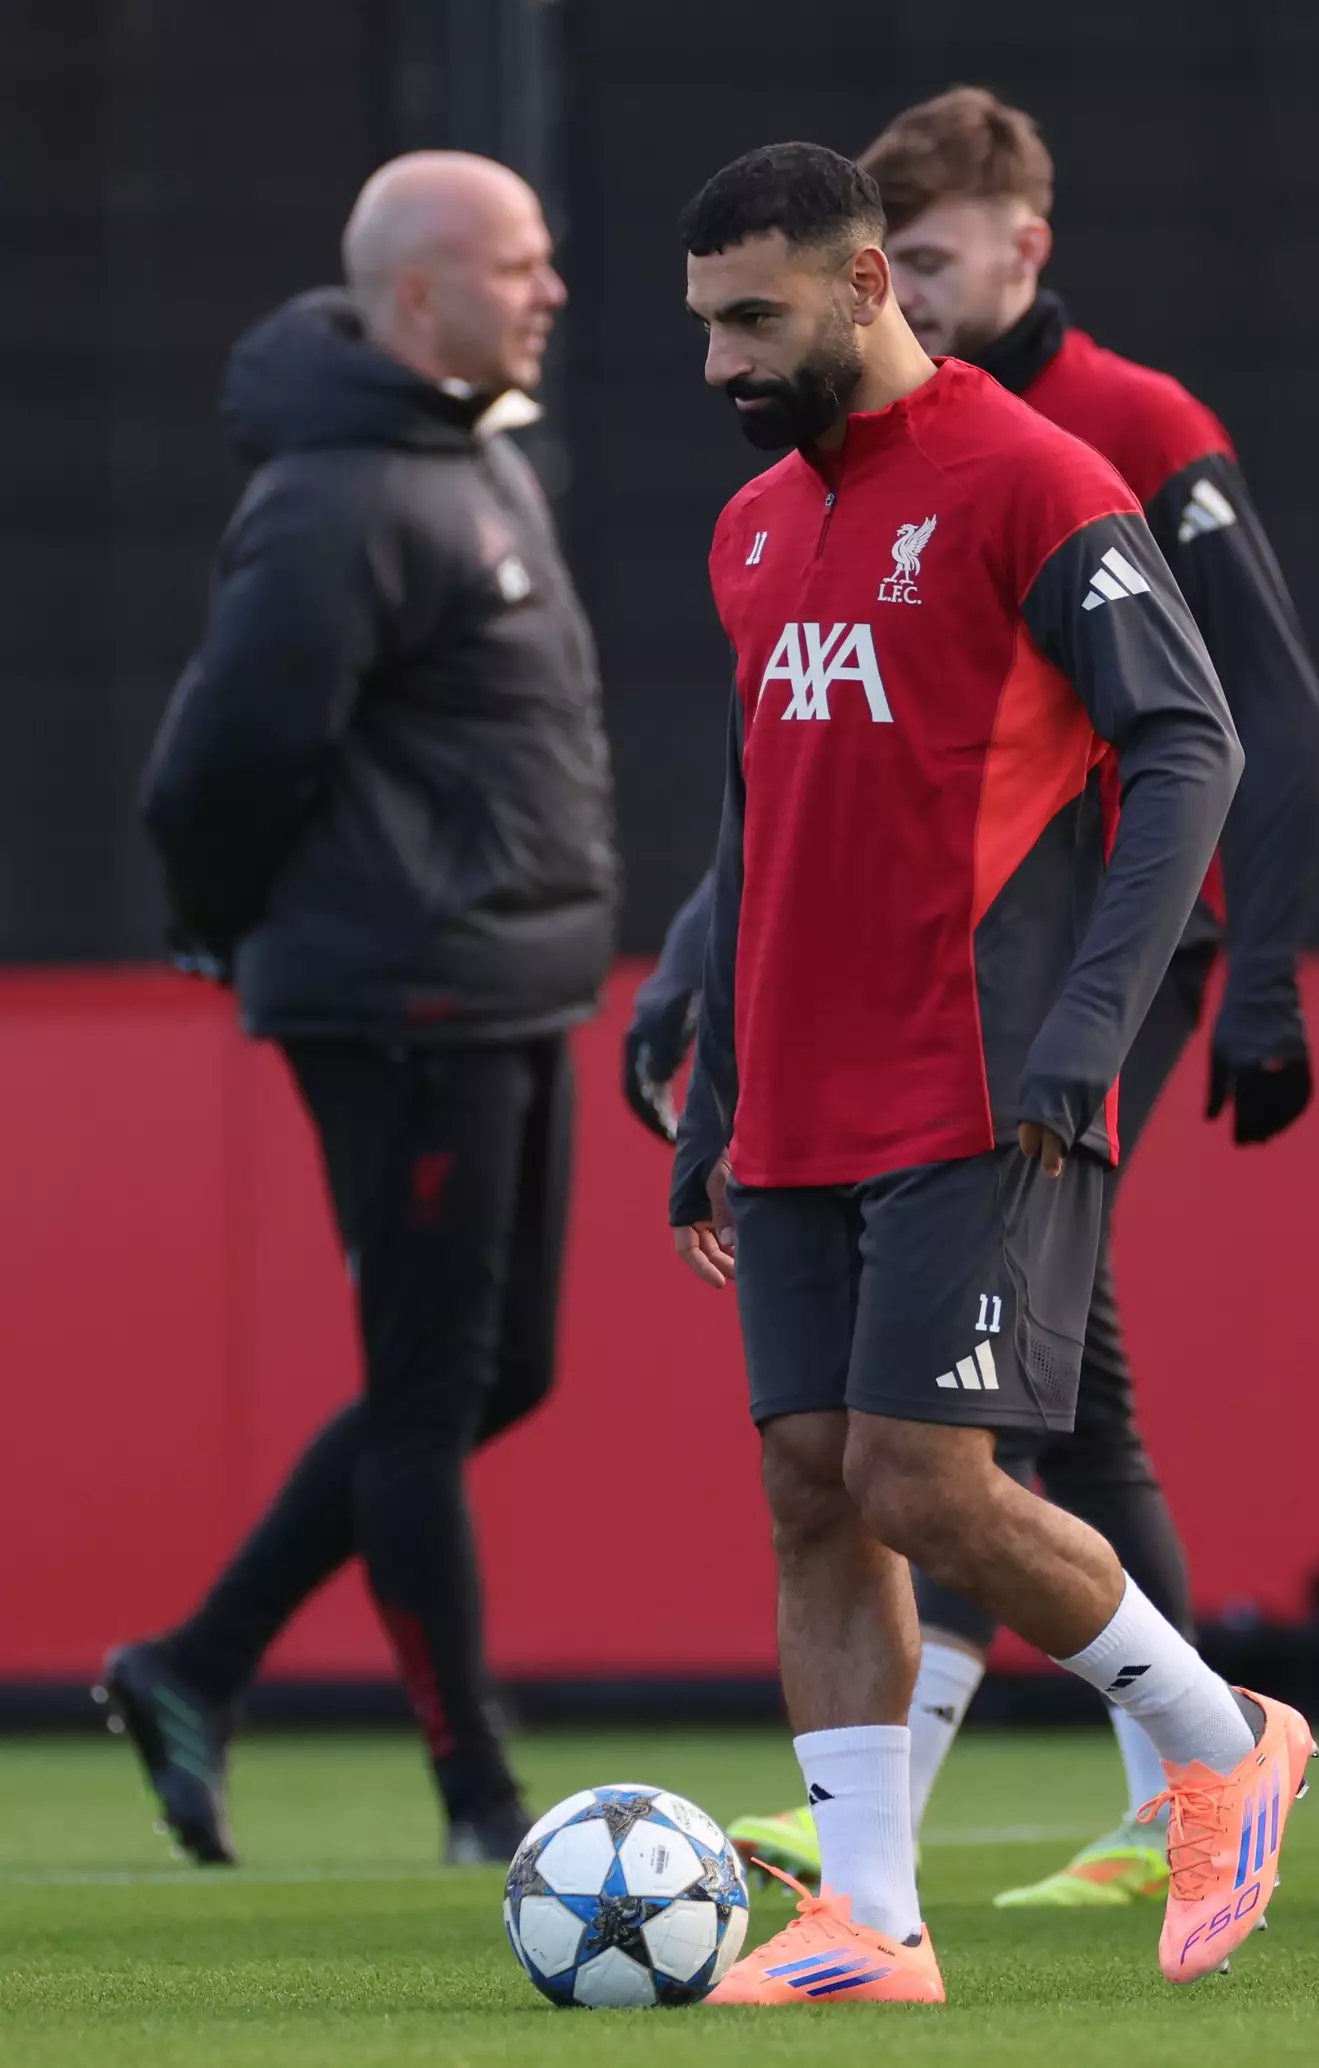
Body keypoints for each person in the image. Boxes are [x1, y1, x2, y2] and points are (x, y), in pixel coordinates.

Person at [669, 140, 1314, 2003]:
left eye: (753, 319)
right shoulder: (750, 527)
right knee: (814, 1484)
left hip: (984, 1080)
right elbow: (758, 817)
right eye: (705, 324)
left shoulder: (1038, 478)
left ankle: (1223, 1741)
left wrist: (1092, 1028)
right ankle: (872, 1923)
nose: (719, 363)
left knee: (927, 1481)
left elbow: (1192, 746)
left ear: (868, 285)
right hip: (798, 1095)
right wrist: (715, 1092)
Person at [106, 152, 617, 1867]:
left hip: (507, 983)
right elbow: (216, 767)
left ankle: (193, 1662)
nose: (551, 290)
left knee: (499, 1375)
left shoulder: (474, 454)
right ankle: (481, 1800)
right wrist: (218, 924)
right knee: (423, 1399)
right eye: (520, 264)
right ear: (418, 294)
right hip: (410, 1000)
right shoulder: (330, 497)